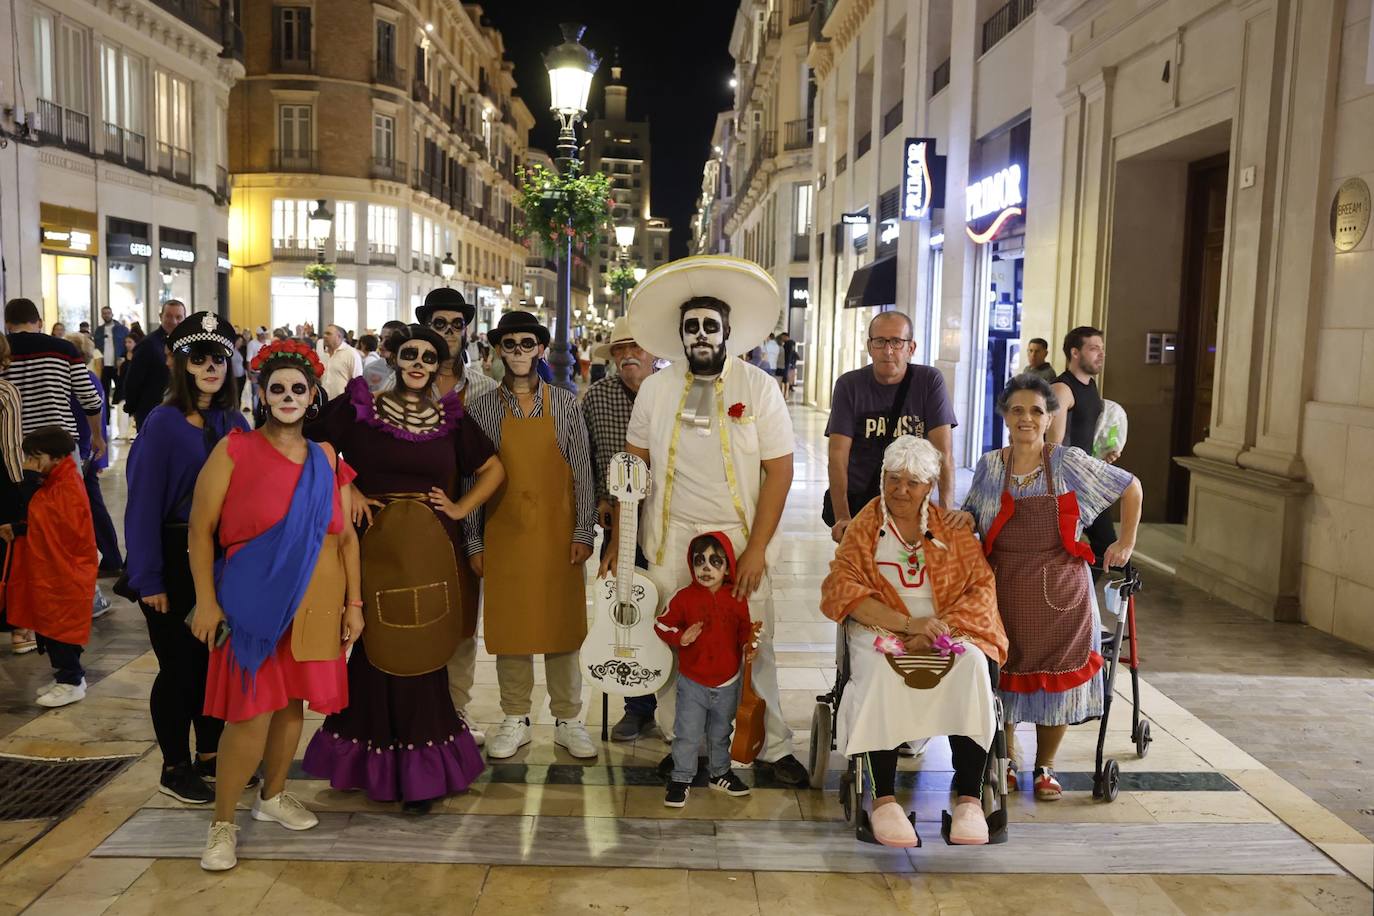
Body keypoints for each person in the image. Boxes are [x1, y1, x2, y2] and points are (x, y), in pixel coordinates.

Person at [607, 255, 809, 788]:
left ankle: (769, 744)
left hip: (739, 538)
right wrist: (621, 542)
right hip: (672, 540)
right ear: (680, 334)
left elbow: (780, 473)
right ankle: (686, 748)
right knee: (679, 643)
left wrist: (757, 548)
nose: (701, 335)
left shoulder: (759, 387)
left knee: (753, 643)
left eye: (710, 327)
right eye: (691, 326)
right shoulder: (655, 388)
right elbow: (634, 466)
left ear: (726, 333)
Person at [301, 324, 501, 811]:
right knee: (373, 645)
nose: (418, 363)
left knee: (425, 649)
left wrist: (458, 506)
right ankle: (372, 766)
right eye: (410, 354)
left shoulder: (451, 419)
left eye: (428, 358)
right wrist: (345, 486)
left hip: (432, 547)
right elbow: (311, 443)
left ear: (438, 365)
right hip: (372, 545)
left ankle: (421, 773)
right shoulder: (360, 407)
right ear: (393, 357)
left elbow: (494, 468)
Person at [188, 338, 362, 872]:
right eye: (277, 388)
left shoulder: (325, 457)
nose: (288, 396)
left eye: (298, 389)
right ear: (262, 394)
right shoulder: (234, 450)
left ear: (313, 396)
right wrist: (205, 602)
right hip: (252, 599)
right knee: (251, 712)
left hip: (315, 602)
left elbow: (345, 537)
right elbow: (200, 531)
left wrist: (354, 603)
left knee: (292, 705)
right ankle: (222, 824)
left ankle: (272, 797)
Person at [820, 436, 1007, 846]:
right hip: (881, 628)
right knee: (880, 674)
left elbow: (981, 588)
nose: (900, 490)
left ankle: (969, 799)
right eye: (892, 479)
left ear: (930, 486)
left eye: (912, 482)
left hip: (945, 631)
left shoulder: (951, 529)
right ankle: (884, 799)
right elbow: (842, 588)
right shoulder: (865, 528)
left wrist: (939, 627)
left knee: (974, 667)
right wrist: (907, 624)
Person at [963, 374, 1142, 800]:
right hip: (1002, 587)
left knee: (1055, 684)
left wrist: (1126, 541)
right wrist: (960, 521)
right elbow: (974, 513)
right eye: (1018, 410)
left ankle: (1046, 767)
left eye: (1037, 411)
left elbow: (1130, 486)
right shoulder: (991, 465)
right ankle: (1006, 757)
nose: (1027, 418)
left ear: (1049, 419)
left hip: (1062, 593)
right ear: (1005, 416)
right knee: (1002, 674)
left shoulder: (1067, 462)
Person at [124, 313, 249, 803]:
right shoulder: (163, 423)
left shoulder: (233, 422)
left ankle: (211, 754)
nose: (211, 367)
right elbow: (142, 504)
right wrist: (147, 576)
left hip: (222, 559)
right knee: (179, 668)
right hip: (174, 558)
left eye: (219, 357)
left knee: (213, 661)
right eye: (199, 358)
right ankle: (174, 764)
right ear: (181, 364)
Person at [466, 311, 598, 761]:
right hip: (504, 531)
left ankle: (568, 718)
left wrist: (583, 530)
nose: (519, 352)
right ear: (498, 350)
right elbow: (472, 481)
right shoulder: (482, 409)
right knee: (512, 628)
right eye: (510, 344)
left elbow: (582, 470)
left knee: (563, 627)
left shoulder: (564, 404)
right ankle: (515, 716)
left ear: (541, 349)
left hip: (559, 533)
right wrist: (475, 540)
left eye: (527, 344)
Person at [414, 289, 496, 740]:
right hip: (413, 521)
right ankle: (419, 709)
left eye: (455, 324)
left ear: (466, 329)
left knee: (464, 623)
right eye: (440, 323)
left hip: (468, 523)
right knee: (417, 616)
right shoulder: (403, 382)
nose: (448, 331)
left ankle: (455, 712)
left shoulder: (483, 387)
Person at [581, 317, 662, 741]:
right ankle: (638, 707)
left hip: (669, 521)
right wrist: (599, 503)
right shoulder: (596, 398)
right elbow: (588, 458)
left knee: (668, 609)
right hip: (620, 523)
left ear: (652, 351)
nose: (628, 355)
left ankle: (673, 705)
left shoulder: (670, 393)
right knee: (627, 611)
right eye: (619, 349)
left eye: (637, 346)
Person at [826, 311, 957, 545]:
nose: (888, 351)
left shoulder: (929, 381)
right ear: (869, 346)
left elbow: (943, 454)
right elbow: (837, 457)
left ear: (911, 347)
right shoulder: (849, 385)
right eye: (880, 342)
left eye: (897, 342)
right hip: (863, 506)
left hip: (914, 506)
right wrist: (843, 517)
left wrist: (946, 512)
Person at [655, 532, 759, 807]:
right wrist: (681, 637)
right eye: (699, 561)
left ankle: (720, 773)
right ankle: (681, 777)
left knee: (720, 732)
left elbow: (743, 632)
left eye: (715, 561)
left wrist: (749, 645)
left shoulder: (737, 598)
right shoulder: (684, 598)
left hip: (727, 683)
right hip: (693, 683)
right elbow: (662, 624)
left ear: (727, 567)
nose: (706, 568)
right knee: (687, 733)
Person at [1, 426, 98, 708]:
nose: (30, 463)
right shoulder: (58, 480)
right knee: (50, 627)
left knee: (60, 630)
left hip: (65, 573)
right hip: (54, 571)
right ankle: (66, 677)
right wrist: (20, 529)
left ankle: (72, 680)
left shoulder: (65, 486)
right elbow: (42, 522)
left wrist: (29, 482)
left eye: (35, 457)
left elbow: (47, 518)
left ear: (56, 457)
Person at [1048, 327, 1118, 575]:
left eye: (1102, 348)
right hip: (1068, 484)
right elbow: (1053, 447)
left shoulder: (1090, 386)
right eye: (1094, 348)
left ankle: (1079, 597)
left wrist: (1103, 455)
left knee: (1107, 547)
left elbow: (1086, 437)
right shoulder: (1062, 389)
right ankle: (1076, 597)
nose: (1101, 354)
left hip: (1087, 478)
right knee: (1104, 547)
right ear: (1075, 353)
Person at [65, 333, 121, 575]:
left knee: (84, 508)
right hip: (85, 449)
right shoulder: (91, 378)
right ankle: (111, 557)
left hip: (79, 450)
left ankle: (107, 558)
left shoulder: (75, 380)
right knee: (93, 505)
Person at [123, 299, 188, 428]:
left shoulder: (187, 345)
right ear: (160, 317)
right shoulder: (148, 344)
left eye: (179, 317)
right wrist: (132, 409)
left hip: (180, 412)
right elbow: (133, 381)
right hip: (151, 412)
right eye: (169, 316)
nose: (174, 321)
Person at [0, 335, 26, 652]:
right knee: (9, 554)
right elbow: (10, 447)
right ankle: (19, 630)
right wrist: (24, 488)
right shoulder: (6, 393)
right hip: (3, 482)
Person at [92, 306, 130, 404]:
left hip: (118, 365)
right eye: (104, 313)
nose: (106, 315)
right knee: (104, 393)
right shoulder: (99, 331)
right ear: (101, 315)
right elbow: (95, 348)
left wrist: (123, 358)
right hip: (104, 366)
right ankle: (106, 417)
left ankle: (123, 416)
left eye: (108, 313)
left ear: (112, 314)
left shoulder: (122, 329)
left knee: (121, 391)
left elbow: (128, 345)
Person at [361, 320, 408, 394]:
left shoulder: (411, 371)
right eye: (381, 339)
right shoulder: (370, 369)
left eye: (388, 340)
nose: (381, 345)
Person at [319, 324, 363, 401]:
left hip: (342, 404)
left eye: (328, 334)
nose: (324, 336)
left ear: (339, 336)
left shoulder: (351, 354)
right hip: (325, 403)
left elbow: (357, 382)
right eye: (324, 333)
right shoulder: (324, 355)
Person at [112, 335, 138, 441]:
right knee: (121, 410)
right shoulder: (122, 357)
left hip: (135, 388)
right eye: (126, 342)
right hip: (123, 387)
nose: (127, 344)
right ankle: (122, 432)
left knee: (133, 412)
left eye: (130, 342)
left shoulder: (138, 356)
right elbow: (119, 375)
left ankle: (132, 432)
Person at [777, 331, 797, 396]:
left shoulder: (787, 344)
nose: (782, 339)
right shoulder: (792, 343)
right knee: (786, 379)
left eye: (782, 337)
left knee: (785, 379)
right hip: (790, 363)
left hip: (786, 363)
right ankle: (786, 394)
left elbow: (786, 355)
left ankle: (784, 394)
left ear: (786, 337)